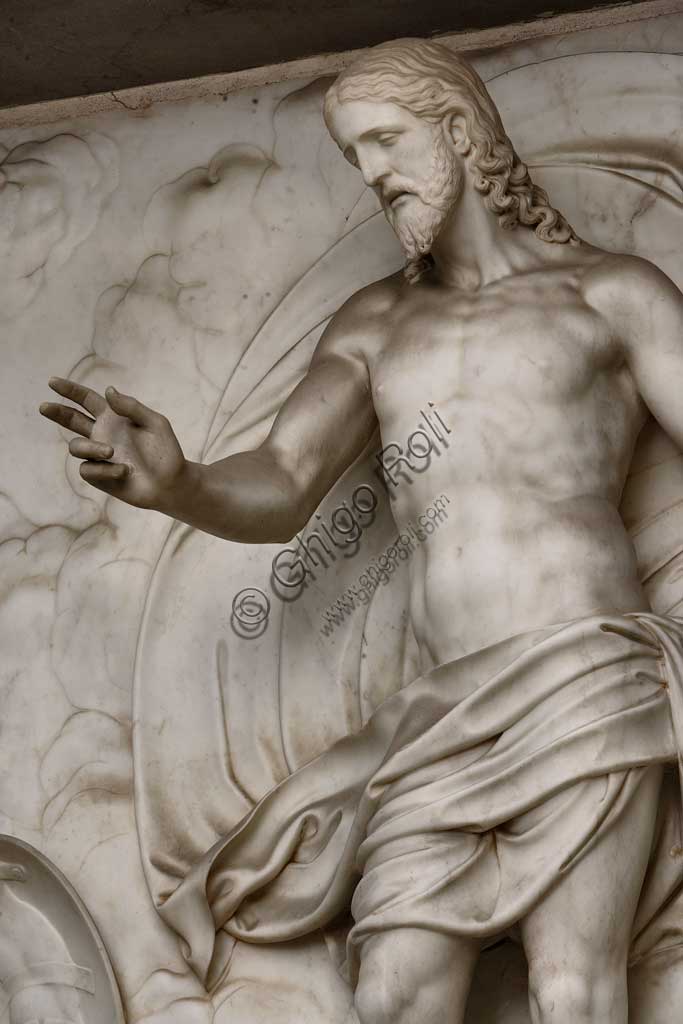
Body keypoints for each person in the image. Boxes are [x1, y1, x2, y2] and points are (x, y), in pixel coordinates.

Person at [40, 38, 683, 1024]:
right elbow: (287, 479)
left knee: (573, 991)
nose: (371, 172)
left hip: (583, 677)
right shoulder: (376, 324)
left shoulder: (609, 293)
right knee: (390, 992)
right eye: (354, 154)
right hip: (436, 715)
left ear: (458, 131)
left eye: (384, 142)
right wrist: (179, 483)